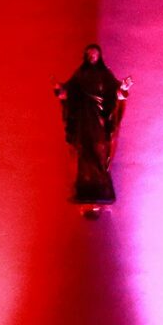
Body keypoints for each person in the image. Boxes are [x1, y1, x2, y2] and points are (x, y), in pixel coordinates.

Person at [55, 44, 129, 205]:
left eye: (95, 54)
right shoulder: (80, 74)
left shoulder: (105, 74)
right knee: (84, 149)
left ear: (99, 56)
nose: (92, 57)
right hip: (83, 117)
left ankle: (101, 183)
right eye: (89, 54)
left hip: (99, 117)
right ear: (86, 57)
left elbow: (115, 90)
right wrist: (62, 91)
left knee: (100, 147)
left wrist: (122, 88)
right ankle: (84, 184)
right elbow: (70, 90)